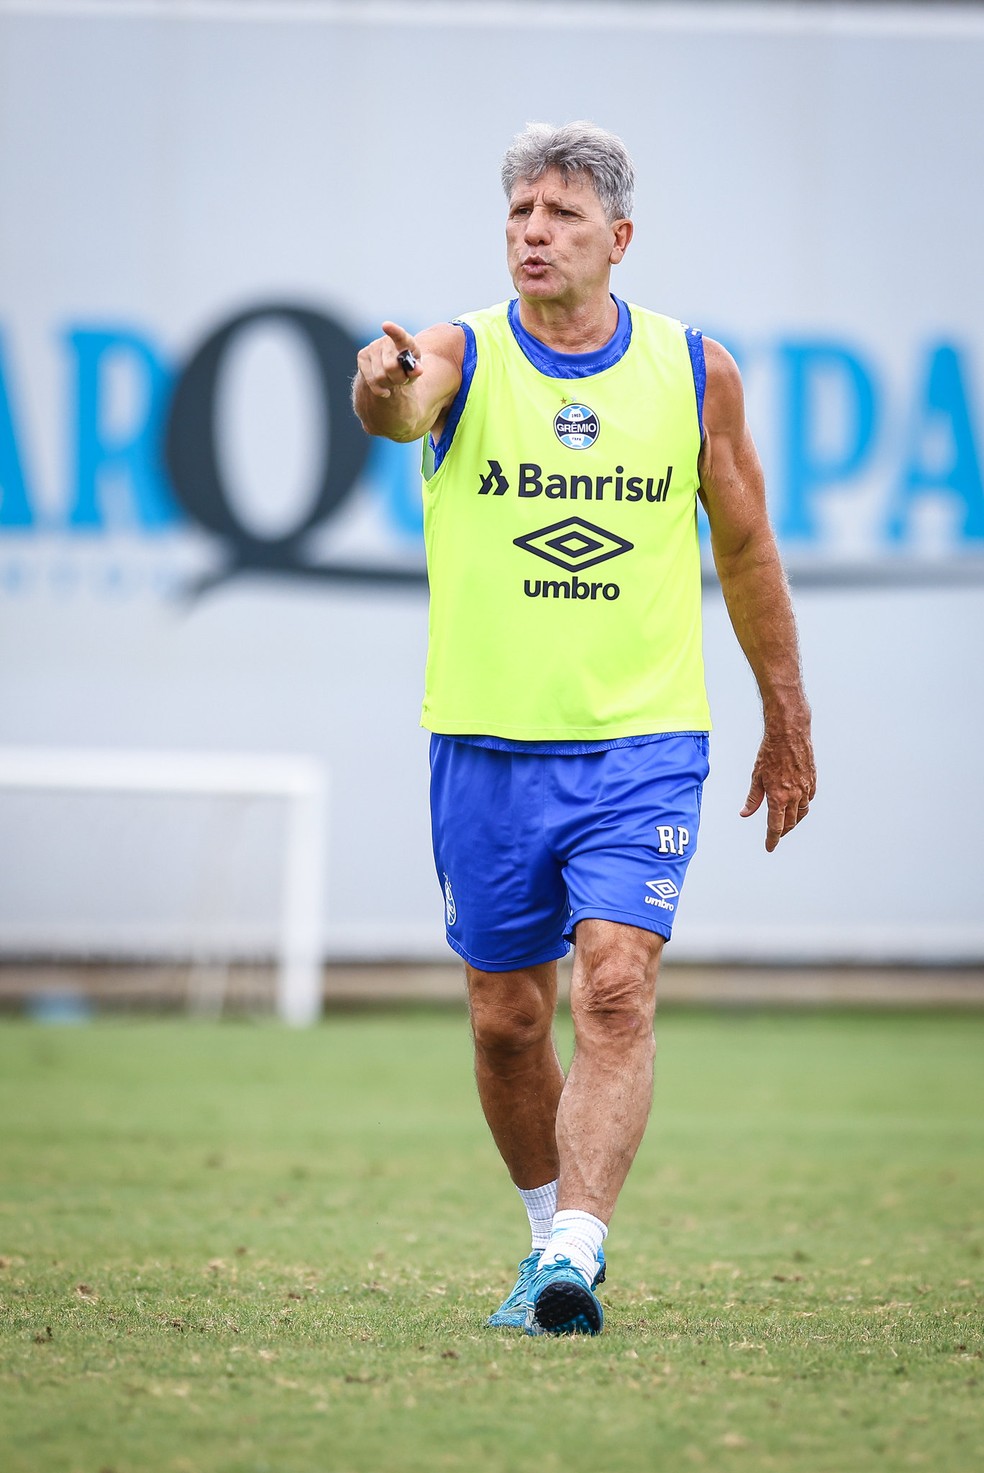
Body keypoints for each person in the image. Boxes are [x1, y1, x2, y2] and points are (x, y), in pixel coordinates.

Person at [352, 121, 815, 1337]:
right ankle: (544, 1237)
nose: (534, 233)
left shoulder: (693, 370)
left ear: (619, 237)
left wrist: (787, 712)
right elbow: (397, 402)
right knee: (508, 1022)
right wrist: (383, 387)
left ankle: (576, 1246)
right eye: (519, 213)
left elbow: (747, 547)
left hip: (640, 745)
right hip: (485, 745)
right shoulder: (462, 353)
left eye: (560, 214)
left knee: (614, 987)